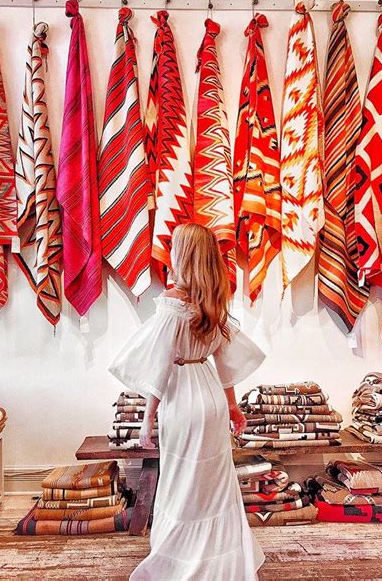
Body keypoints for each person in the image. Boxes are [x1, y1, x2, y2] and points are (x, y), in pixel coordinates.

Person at [109, 223, 266, 580]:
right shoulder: (213, 300)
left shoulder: (173, 302)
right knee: (214, 483)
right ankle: (221, 561)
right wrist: (232, 406)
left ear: (183, 255)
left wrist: (147, 420)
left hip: (182, 398)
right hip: (209, 393)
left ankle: (178, 561)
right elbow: (224, 361)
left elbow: (159, 365)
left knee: (181, 483)